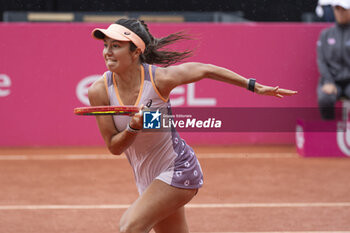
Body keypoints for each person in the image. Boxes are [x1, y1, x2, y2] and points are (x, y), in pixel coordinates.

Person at [88, 18, 297, 233]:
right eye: (105, 45)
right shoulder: (99, 91)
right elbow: (114, 147)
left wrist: (254, 86)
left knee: (129, 227)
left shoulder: (159, 79)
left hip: (178, 168)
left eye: (116, 46)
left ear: (135, 52)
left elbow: (205, 70)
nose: (108, 52)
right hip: (147, 179)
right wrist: (133, 127)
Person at [317, 0, 350, 120]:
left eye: (344, 9)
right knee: (324, 97)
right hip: (332, 81)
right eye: (337, 9)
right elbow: (321, 61)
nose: (340, 13)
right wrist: (329, 81)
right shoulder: (325, 35)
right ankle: (328, 132)